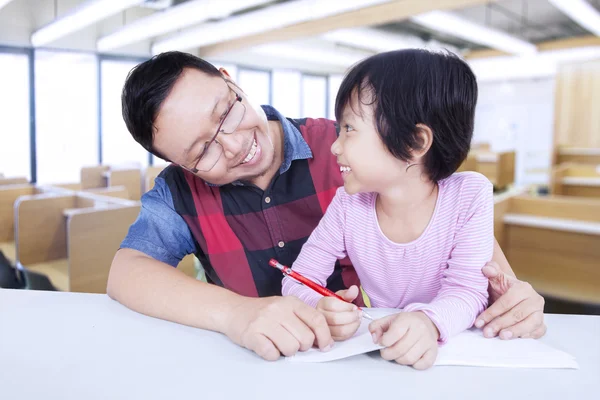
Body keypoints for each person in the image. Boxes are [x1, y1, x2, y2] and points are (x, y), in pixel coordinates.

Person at [107, 50, 546, 362]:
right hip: (260, 365)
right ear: (179, 164)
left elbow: (450, 221)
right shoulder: (178, 191)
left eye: (226, 112)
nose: (235, 144)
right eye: (202, 152)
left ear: (231, 81)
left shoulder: (356, 148)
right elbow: (126, 271)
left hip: (374, 357)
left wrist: (509, 292)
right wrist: (237, 314)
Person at [283, 49, 494, 370]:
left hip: (452, 358)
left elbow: (468, 291)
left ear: (415, 142)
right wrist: (319, 305)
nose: (335, 146)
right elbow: (296, 280)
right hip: (378, 355)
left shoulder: (470, 195)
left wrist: (427, 322)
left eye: (349, 129)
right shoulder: (348, 204)